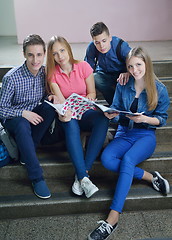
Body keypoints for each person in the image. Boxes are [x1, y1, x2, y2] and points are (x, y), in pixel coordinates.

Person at [88, 47, 170, 240]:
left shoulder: (159, 89)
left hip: (145, 135)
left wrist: (145, 120)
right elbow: (117, 112)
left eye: (138, 65)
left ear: (147, 64)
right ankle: (151, 177)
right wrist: (111, 114)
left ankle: (112, 218)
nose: (134, 70)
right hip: (125, 133)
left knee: (128, 160)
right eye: (130, 66)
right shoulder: (123, 84)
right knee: (107, 159)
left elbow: (162, 119)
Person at [46, 36, 109, 198]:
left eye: (62, 50)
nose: (60, 56)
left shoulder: (84, 66)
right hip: (68, 115)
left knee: (102, 119)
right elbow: (60, 101)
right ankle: (84, 178)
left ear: (68, 49)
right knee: (69, 121)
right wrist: (65, 112)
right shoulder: (53, 75)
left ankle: (82, 174)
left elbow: (92, 92)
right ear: (51, 57)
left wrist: (90, 98)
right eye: (55, 54)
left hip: (85, 111)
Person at [0, 34, 58, 199]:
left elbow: (43, 99)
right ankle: (36, 177)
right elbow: (1, 110)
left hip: (34, 118)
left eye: (39, 55)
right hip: (15, 120)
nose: (35, 60)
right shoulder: (11, 78)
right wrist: (23, 113)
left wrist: (49, 98)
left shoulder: (44, 73)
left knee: (48, 108)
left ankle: (27, 151)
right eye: (31, 55)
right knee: (22, 124)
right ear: (24, 54)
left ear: (44, 54)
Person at [84, 22, 131, 105]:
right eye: (97, 42)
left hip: (122, 74)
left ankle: (125, 104)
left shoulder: (121, 46)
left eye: (104, 41)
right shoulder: (91, 47)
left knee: (133, 79)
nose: (101, 46)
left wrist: (128, 72)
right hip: (104, 74)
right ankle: (114, 104)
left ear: (110, 38)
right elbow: (87, 70)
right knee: (95, 78)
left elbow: (135, 62)